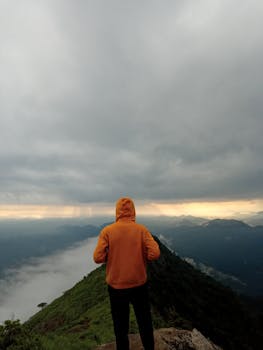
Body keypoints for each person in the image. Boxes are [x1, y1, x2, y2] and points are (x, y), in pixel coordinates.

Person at [93, 197, 160, 350]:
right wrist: (143, 255)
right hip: (139, 284)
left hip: (116, 287)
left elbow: (97, 258)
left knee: (120, 326)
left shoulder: (107, 231)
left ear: (117, 211)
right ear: (133, 211)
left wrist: (110, 256)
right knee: (144, 321)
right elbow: (155, 253)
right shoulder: (141, 230)